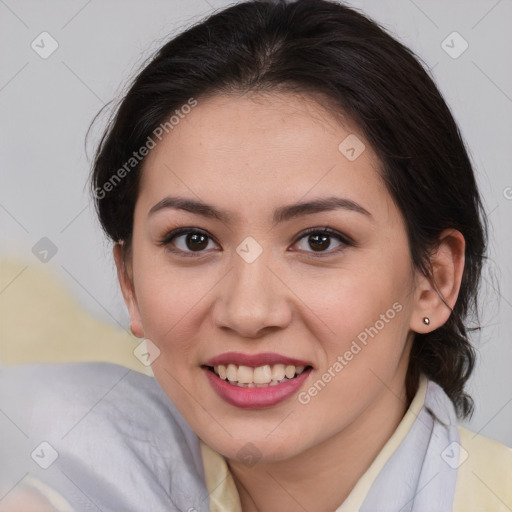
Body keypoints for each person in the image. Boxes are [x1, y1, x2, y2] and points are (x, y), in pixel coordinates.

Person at [1, 0, 510, 510]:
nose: (247, 312)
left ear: (434, 280)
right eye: (193, 240)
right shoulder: (51, 458)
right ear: (129, 281)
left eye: (319, 240)